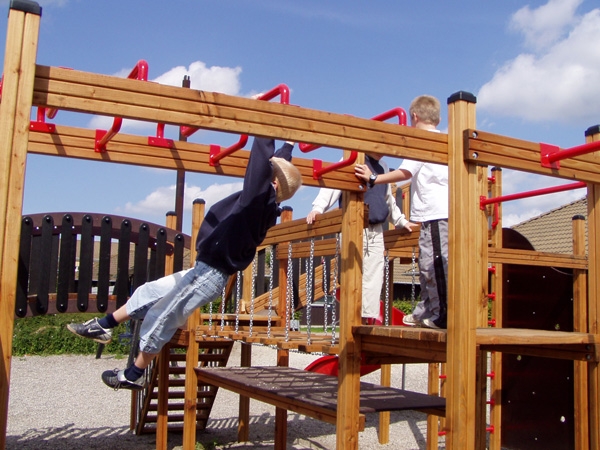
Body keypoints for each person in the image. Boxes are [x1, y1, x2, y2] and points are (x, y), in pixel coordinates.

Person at [67, 136, 302, 390]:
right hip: (203, 270)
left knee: (161, 317)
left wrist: (265, 130)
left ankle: (134, 374)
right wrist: (288, 145)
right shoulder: (264, 205)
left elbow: (261, 161)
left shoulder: (256, 202)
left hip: (210, 274)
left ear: (272, 183)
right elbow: (276, 169)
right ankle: (104, 325)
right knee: (149, 292)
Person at [355, 95, 447, 329]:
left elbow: (406, 172)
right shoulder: (446, 140)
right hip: (432, 215)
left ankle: (443, 315)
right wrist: (402, 219)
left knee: (435, 264)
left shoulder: (423, 141)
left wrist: (374, 178)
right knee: (427, 263)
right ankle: (427, 310)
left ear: (413, 116)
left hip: (436, 214)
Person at [306, 153, 416, 324]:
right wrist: (318, 208)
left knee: (374, 277)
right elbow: (332, 186)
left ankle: (365, 321)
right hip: (353, 225)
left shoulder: (383, 167)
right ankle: (352, 321)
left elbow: (388, 199)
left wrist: (401, 221)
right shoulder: (353, 159)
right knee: (353, 274)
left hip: (376, 230)